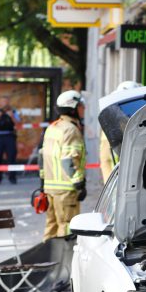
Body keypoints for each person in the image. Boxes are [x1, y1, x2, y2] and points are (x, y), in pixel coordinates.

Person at [40, 90, 86, 240]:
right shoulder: (71, 130)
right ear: (72, 108)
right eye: (81, 105)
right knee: (67, 227)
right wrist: (79, 183)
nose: (83, 108)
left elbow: (42, 157)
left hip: (51, 188)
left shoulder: (53, 127)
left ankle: (46, 259)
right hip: (66, 190)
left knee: (51, 226)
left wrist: (42, 183)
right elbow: (69, 160)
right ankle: (63, 260)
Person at [0, 97, 21, 184]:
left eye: (6, 101)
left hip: (10, 136)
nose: (4, 103)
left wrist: (12, 116)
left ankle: (12, 177)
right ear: (0, 103)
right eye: (3, 102)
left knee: (11, 157)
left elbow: (18, 124)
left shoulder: (13, 112)